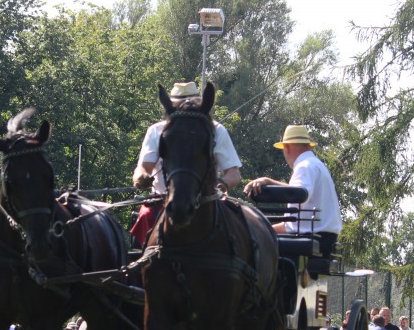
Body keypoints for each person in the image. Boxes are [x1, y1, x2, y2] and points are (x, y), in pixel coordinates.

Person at [129, 80, 243, 245]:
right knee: (145, 215)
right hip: (163, 202)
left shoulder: (217, 130)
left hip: (205, 206)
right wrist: (142, 178)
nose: (185, 107)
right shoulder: (156, 131)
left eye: (188, 103)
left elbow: (233, 173)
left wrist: (222, 184)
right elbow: (142, 169)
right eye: (180, 104)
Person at [244, 124, 341, 256]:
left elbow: (298, 193)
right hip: (323, 237)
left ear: (287, 148)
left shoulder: (305, 167)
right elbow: (298, 193)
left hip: (312, 237)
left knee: (248, 244)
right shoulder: (315, 165)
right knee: (255, 233)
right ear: (308, 146)